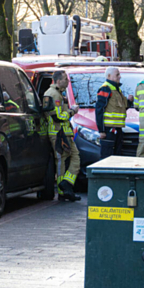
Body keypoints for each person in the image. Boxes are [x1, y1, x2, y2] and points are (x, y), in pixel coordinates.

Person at [43, 70, 80, 201]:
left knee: (73, 159)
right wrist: (72, 111)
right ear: (58, 81)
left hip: (63, 133)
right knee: (62, 162)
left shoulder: (56, 93)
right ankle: (63, 190)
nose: (67, 82)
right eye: (65, 79)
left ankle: (66, 185)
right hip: (58, 134)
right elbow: (57, 117)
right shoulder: (54, 95)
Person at [94, 66, 130, 159]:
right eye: (117, 74)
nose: (120, 77)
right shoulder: (105, 88)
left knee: (117, 157)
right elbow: (99, 109)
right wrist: (101, 130)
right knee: (107, 157)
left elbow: (120, 109)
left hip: (117, 129)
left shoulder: (117, 90)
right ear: (109, 76)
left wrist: (129, 102)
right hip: (108, 130)